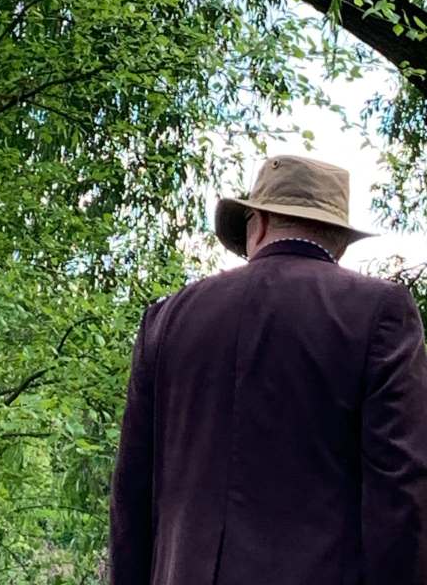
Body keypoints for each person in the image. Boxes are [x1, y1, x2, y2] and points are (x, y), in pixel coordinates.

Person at [108, 154, 427, 585]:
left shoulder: (167, 319)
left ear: (256, 223)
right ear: (341, 241)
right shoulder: (377, 311)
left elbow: (131, 496)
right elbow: (401, 490)